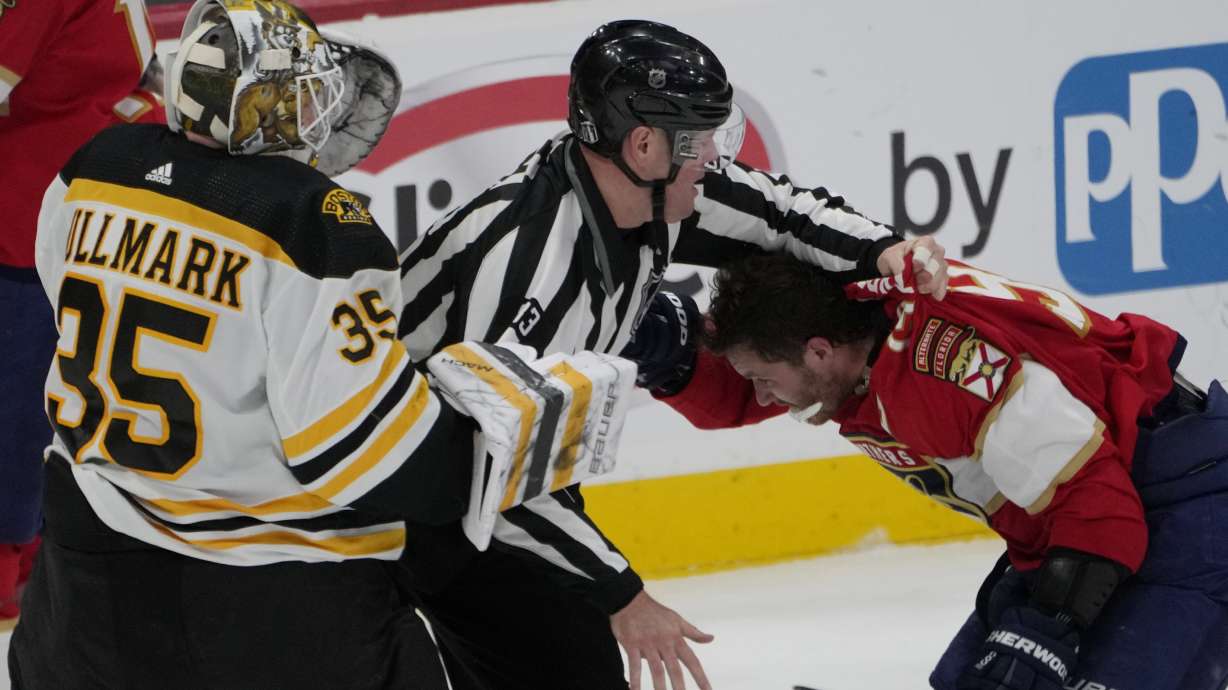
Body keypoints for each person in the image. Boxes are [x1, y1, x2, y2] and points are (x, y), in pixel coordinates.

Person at [9, 1, 639, 688]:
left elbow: (61, 289)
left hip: (79, 591)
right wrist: (498, 446)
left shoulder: (93, 169)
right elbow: (361, 453)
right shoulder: (317, 226)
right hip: (270, 610)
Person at [396, 18, 950, 690]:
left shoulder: (647, 189)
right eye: (701, 139)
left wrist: (885, 250)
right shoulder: (521, 265)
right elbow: (497, 472)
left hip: (462, 494)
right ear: (643, 142)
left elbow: (782, 215)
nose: (715, 158)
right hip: (400, 515)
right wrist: (624, 595)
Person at [635, 253, 1228, 690]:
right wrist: (660, 348)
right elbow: (758, 385)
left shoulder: (942, 372)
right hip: (1089, 513)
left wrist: (1046, 630)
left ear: (817, 351)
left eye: (762, 378)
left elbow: (1102, 513)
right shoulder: (853, 329)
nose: (761, 396)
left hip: (1185, 516)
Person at [0, 0, 164, 628]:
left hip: (56, 212)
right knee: (34, 401)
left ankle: (24, 550)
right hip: (59, 209)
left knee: (35, 400)